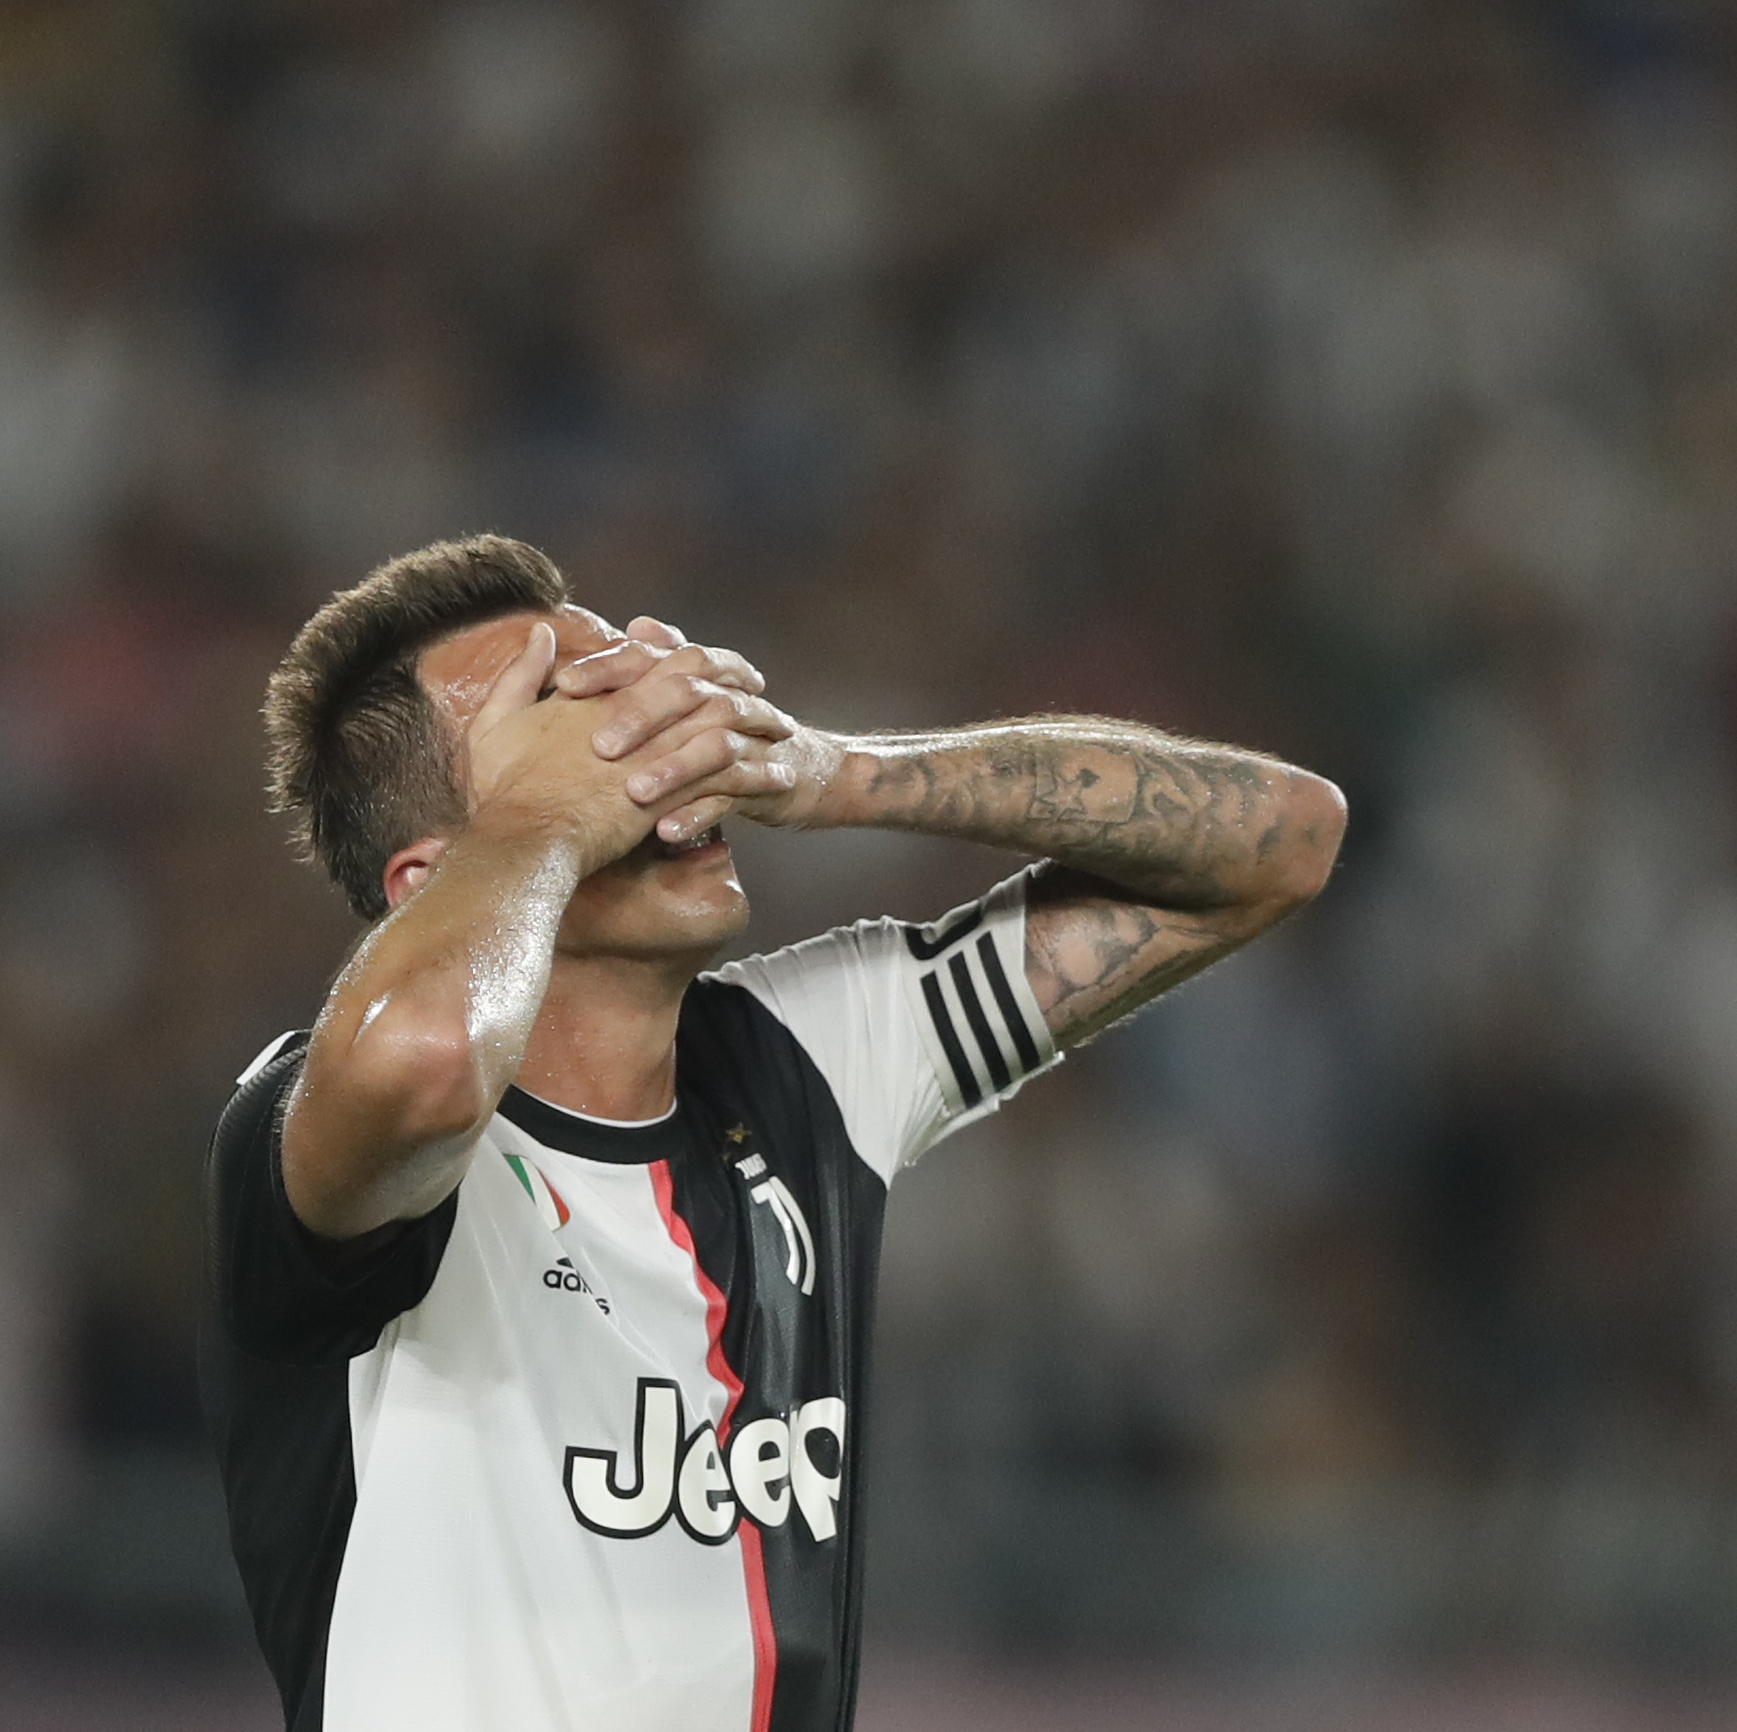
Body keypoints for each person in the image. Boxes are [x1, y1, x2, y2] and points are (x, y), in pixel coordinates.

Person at [204, 534, 1346, 1732]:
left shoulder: (811, 1057)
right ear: (432, 874)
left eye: (630, 682)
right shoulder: (319, 1134)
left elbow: (1282, 840)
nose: (646, 727)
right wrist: (554, 813)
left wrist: (840, 772)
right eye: (559, 715)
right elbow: (431, 1057)